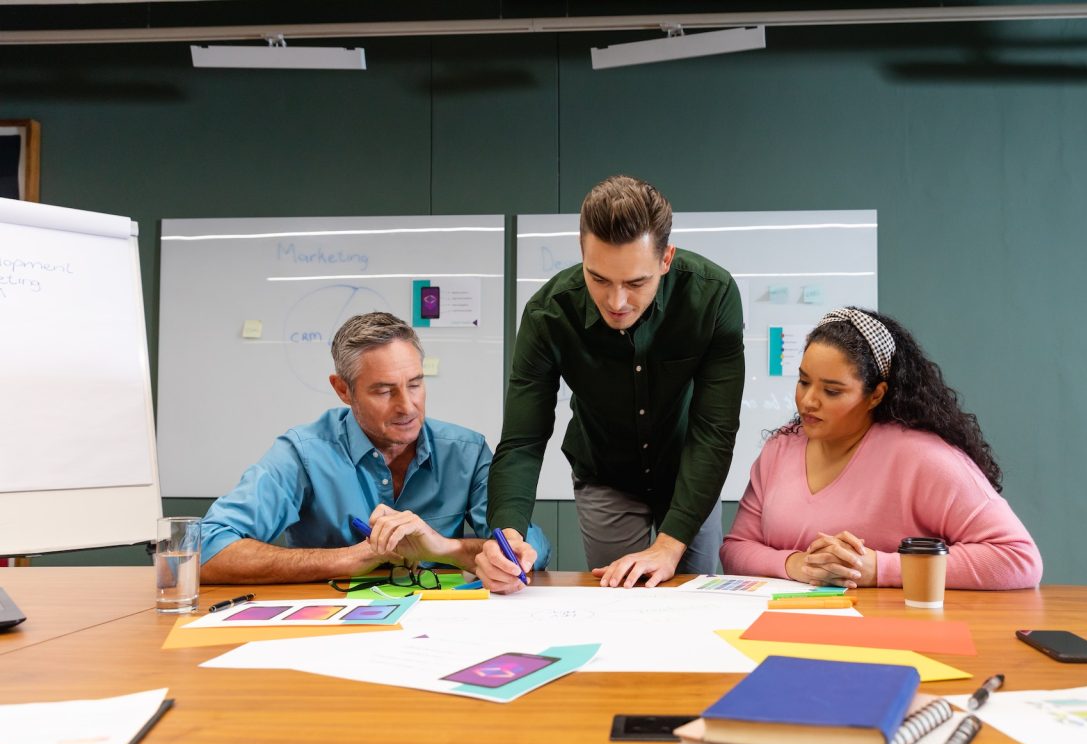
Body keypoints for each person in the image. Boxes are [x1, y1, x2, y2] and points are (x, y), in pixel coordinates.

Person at [477, 175, 745, 593]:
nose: (616, 302)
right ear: (582, 252)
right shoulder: (548, 314)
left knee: (695, 596)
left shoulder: (713, 295)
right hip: (604, 472)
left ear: (666, 259)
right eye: (599, 278)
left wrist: (669, 546)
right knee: (618, 597)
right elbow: (522, 440)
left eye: (636, 283)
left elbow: (715, 430)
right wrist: (507, 536)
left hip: (688, 471)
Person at [200, 312, 549, 584]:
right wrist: (350, 558)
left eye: (415, 384)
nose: (407, 407)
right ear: (343, 390)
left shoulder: (466, 452)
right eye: (384, 391)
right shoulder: (303, 453)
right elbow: (205, 549)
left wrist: (445, 548)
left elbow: (531, 548)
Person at [720, 306, 1042, 590]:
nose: (808, 401)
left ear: (876, 395)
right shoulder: (779, 449)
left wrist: (879, 568)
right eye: (804, 382)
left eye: (832, 391)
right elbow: (735, 549)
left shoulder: (923, 458)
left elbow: (1018, 558)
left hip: (892, 632)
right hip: (785, 627)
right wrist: (797, 565)